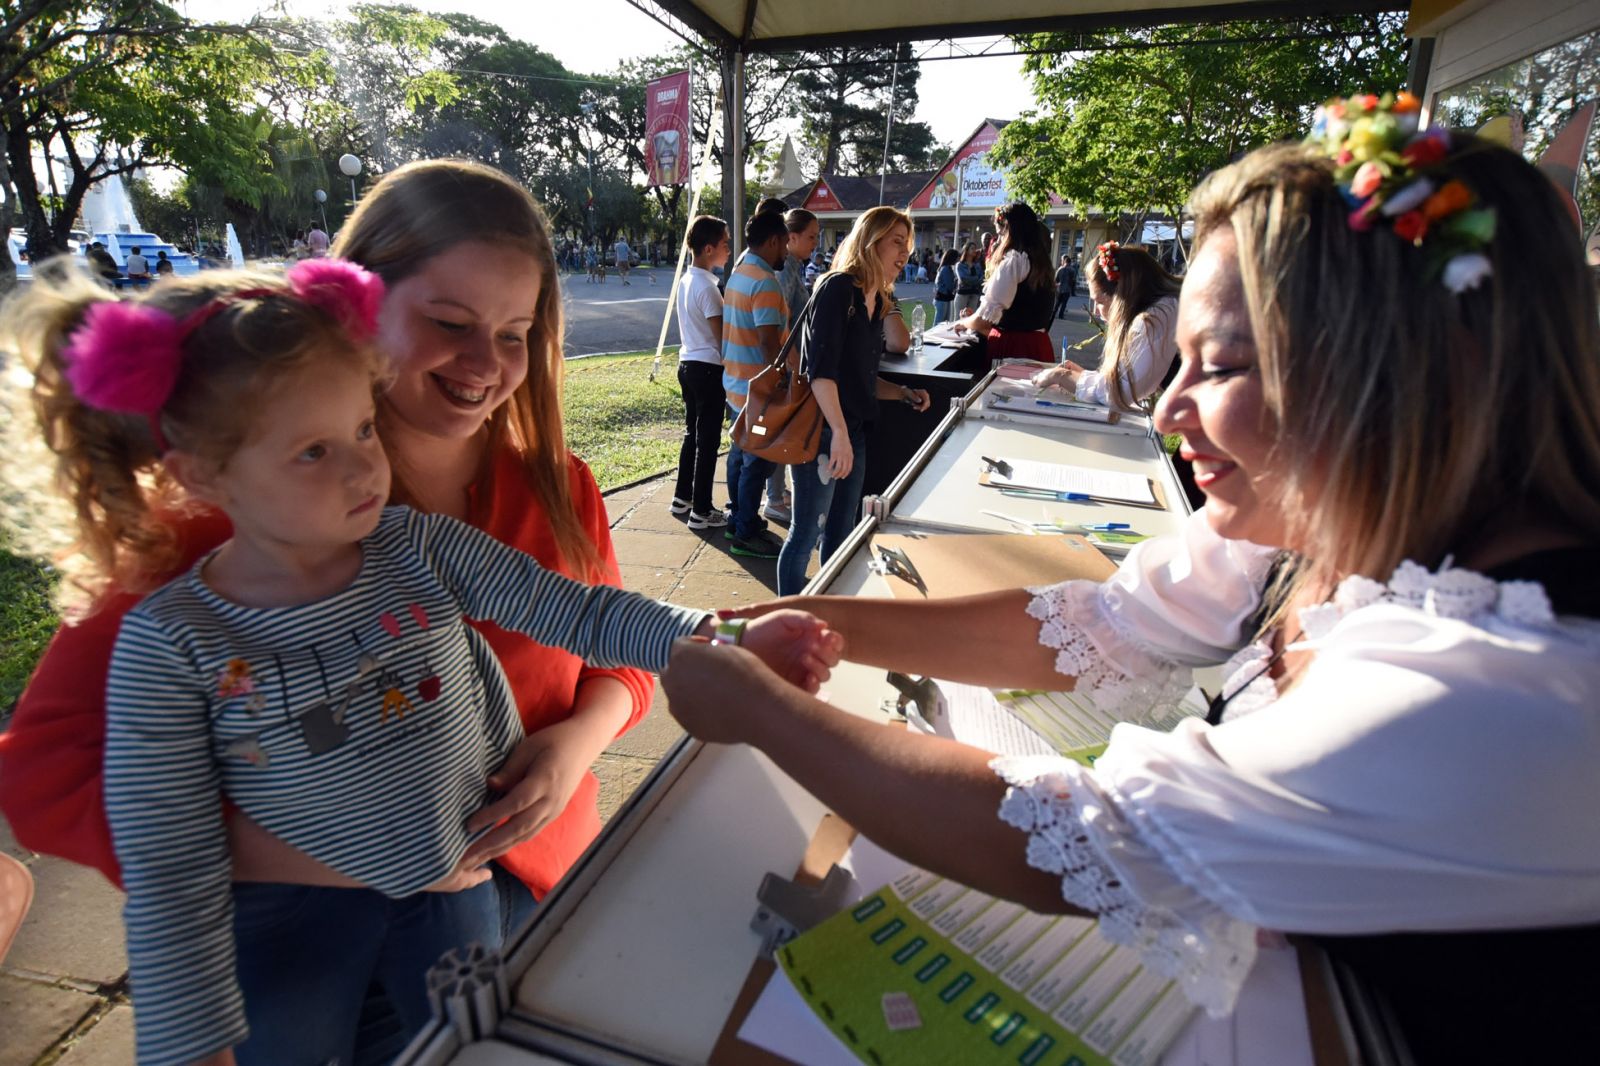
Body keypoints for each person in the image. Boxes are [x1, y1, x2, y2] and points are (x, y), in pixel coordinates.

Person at [663, 95, 1600, 1061]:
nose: (1171, 408)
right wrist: (811, 621)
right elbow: (1099, 622)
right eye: (1181, 360)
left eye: (1224, 365)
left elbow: (1081, 840)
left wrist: (759, 708)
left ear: (1396, 375)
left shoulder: (1498, 685)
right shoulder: (1337, 524)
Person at [0, 159, 830, 1054]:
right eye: (448, 323)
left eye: (516, 332)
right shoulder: (208, 533)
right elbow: (51, 774)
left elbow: (607, 637)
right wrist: (352, 848)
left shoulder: (554, 489)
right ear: (355, 311)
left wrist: (579, 741)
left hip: (529, 888)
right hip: (304, 935)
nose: (487, 364)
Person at [775, 207, 931, 597]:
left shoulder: (876, 300)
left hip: (852, 432)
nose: (904, 254)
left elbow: (859, 376)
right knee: (806, 529)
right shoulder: (837, 289)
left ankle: (828, 609)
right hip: (824, 434)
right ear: (871, 241)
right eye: (897, 242)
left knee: (842, 532)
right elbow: (820, 373)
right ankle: (787, 620)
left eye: (908, 247)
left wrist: (901, 393)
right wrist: (840, 433)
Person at [719, 209, 790, 559]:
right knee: (756, 462)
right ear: (774, 240)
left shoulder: (738, 274)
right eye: (786, 243)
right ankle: (745, 532)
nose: (788, 252)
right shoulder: (764, 282)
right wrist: (782, 382)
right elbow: (768, 342)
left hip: (736, 383)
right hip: (758, 389)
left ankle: (738, 518)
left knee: (738, 456)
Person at [1035, 241, 1182, 410]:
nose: (1097, 312)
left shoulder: (1153, 319)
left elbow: (1120, 392)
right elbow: (1125, 380)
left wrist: (1061, 376)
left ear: (1123, 296)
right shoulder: (1164, 308)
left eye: (1100, 302)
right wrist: (1082, 376)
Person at [670, 215, 732, 531]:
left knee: (692, 435)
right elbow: (722, 340)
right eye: (725, 244)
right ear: (709, 249)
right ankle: (702, 510)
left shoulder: (687, 280)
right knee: (707, 442)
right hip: (707, 369)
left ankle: (683, 497)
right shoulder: (709, 289)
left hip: (688, 365)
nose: (728, 250)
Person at [954, 202, 1056, 361]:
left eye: (1000, 233)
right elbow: (1018, 317)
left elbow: (983, 322)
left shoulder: (1015, 261)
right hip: (1038, 347)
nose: (998, 240)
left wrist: (965, 322)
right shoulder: (1041, 263)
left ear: (1009, 228)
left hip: (1014, 350)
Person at [954, 241, 983, 315]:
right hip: (963, 293)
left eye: (975, 248)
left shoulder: (977, 265)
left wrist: (974, 279)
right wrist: (976, 279)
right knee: (959, 319)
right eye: (972, 248)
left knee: (970, 318)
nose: (974, 250)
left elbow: (981, 278)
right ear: (966, 251)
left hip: (974, 294)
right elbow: (963, 279)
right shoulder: (960, 265)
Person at [932, 249, 959, 325]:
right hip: (942, 298)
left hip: (943, 298)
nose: (957, 259)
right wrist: (956, 282)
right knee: (939, 322)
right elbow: (949, 285)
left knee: (943, 321)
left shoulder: (945, 268)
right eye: (956, 257)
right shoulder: (946, 269)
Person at [1052, 254, 1076, 319]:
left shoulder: (1060, 269)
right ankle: (1061, 315)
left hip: (1059, 288)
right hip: (1067, 289)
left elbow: (1056, 279)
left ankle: (1053, 314)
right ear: (1070, 262)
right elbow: (1073, 281)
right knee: (1064, 303)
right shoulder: (1072, 270)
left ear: (1064, 262)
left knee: (1057, 302)